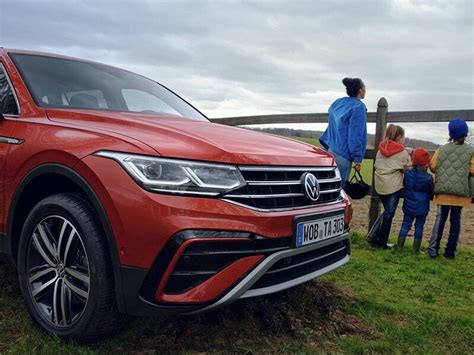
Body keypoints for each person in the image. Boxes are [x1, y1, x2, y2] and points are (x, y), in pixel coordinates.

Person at [428, 118, 474, 259]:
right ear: (465, 134)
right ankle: (450, 251)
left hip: (443, 192)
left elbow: (433, 166)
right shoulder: (470, 151)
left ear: (451, 134)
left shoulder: (441, 149)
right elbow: (472, 170)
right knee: (456, 220)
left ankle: (433, 249)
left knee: (440, 219)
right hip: (460, 193)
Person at [368, 124, 410, 248]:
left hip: (380, 185)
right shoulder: (402, 153)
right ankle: (381, 243)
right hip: (393, 186)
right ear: (399, 137)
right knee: (389, 214)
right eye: (403, 137)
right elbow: (407, 168)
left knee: (387, 212)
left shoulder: (380, 150)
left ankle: (373, 236)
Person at [320, 77, 367, 186]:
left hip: (331, 150)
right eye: (364, 88)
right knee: (339, 190)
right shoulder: (359, 107)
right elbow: (355, 135)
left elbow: (332, 117)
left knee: (328, 186)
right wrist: (357, 158)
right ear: (360, 90)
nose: (365, 91)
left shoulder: (337, 103)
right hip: (344, 155)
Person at [396, 148, 433, 253]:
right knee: (419, 227)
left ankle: (399, 247)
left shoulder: (407, 174)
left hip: (408, 205)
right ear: (425, 164)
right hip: (422, 207)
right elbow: (431, 190)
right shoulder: (428, 178)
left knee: (405, 225)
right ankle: (416, 249)